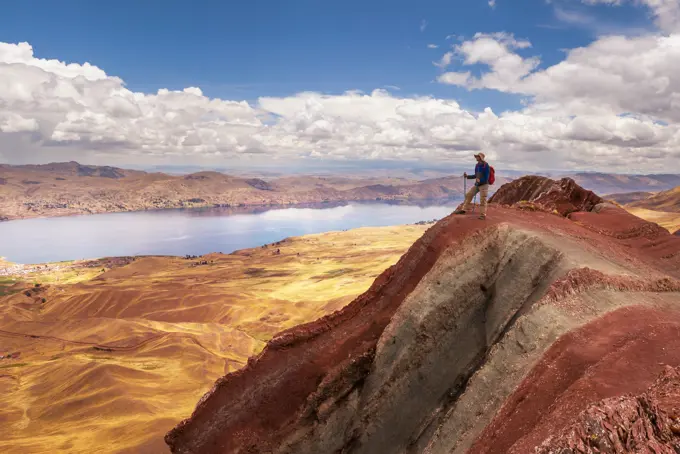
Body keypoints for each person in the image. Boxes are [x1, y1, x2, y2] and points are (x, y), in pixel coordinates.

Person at [454, 153, 490, 219]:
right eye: (476, 156)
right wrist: (467, 176)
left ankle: (483, 215)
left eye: (477, 157)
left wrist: (480, 180)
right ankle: (463, 210)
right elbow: (476, 175)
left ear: (480, 157)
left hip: (484, 185)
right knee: (469, 194)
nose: (476, 158)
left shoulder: (486, 165)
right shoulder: (477, 165)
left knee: (483, 199)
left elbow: (487, 177)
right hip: (477, 184)